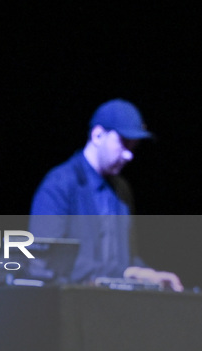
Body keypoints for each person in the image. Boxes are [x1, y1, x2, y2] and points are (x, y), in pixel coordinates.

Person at [29, 99, 183, 290]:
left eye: (133, 146)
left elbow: (125, 258)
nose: (129, 155)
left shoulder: (122, 190)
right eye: (123, 143)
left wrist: (151, 276)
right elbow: (48, 258)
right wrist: (126, 274)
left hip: (116, 307)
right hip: (73, 307)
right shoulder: (60, 184)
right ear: (98, 135)